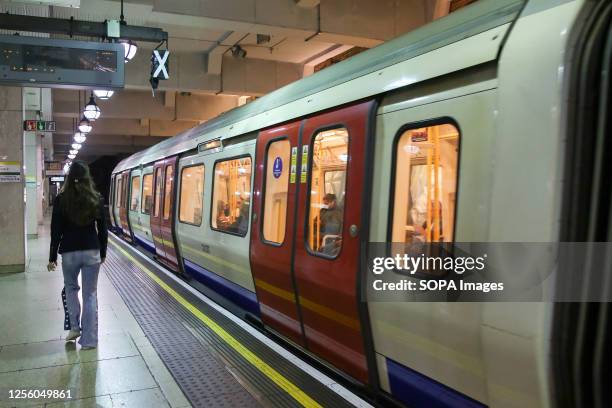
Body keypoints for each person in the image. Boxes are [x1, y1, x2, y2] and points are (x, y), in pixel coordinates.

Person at [47, 161, 108, 350]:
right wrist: (103, 252)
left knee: (71, 289)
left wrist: (52, 257)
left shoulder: (61, 199)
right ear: (87, 177)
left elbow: (55, 230)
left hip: (69, 252)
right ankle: (89, 341)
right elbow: (103, 230)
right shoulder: (96, 198)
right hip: (91, 251)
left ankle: (74, 328)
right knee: (90, 294)